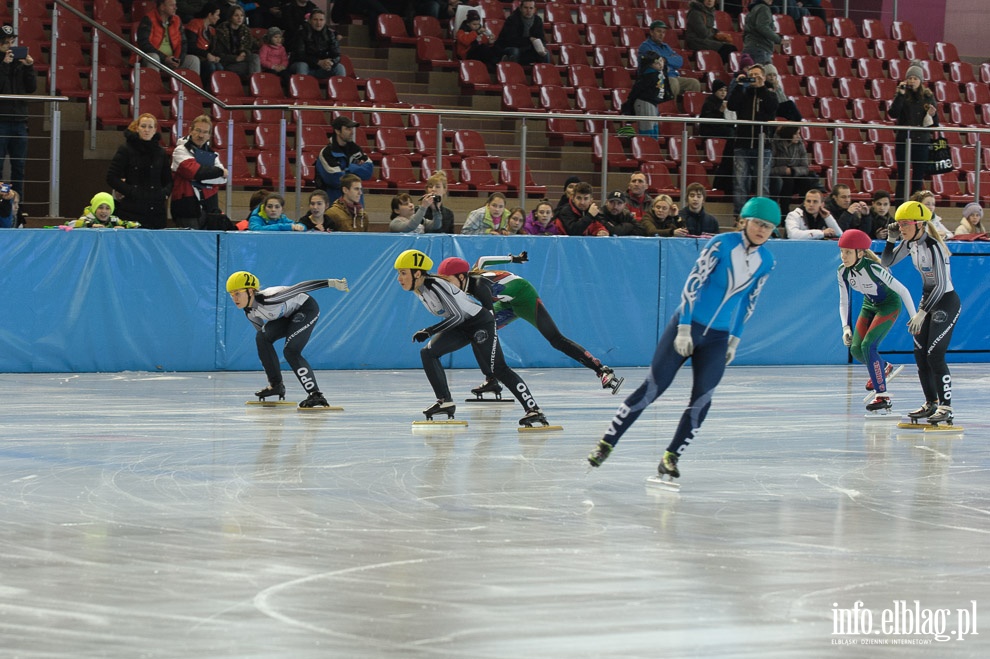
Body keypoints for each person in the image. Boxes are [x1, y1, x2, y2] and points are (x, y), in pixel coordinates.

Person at [587, 197, 780, 484]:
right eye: (758, 223)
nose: (763, 230)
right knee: (653, 388)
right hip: (688, 325)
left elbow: (750, 302)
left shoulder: (767, 261)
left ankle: (671, 457)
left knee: (703, 399)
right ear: (744, 221)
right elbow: (694, 282)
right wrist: (685, 327)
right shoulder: (722, 244)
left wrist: (734, 340)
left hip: (717, 338)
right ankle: (607, 442)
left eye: (769, 227)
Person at [393, 249, 551, 426]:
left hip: (480, 323)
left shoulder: (435, 285)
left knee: (499, 368)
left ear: (417, 273)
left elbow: (457, 316)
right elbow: (457, 319)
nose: (399, 278)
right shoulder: (420, 289)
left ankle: (534, 410)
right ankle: (445, 401)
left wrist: (429, 331)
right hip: (462, 325)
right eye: (399, 273)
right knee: (428, 353)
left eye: (403, 273)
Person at [438, 253, 624, 396]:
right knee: (476, 333)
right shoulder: (473, 272)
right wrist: (513, 258)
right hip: (506, 300)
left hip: (524, 296)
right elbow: (483, 259)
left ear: (461, 277)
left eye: (448, 282)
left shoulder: (480, 285)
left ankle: (602, 370)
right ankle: (492, 380)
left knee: (555, 339)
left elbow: (487, 316)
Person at [881, 201, 961, 425]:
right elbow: (886, 262)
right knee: (920, 355)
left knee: (935, 354)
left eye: (905, 224)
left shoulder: (934, 246)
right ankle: (931, 403)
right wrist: (891, 239)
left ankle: (946, 407)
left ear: (920, 225)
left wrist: (922, 312)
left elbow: (941, 284)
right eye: (899, 224)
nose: (901, 228)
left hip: (945, 302)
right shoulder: (910, 243)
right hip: (927, 303)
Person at [226, 270, 349, 408]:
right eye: (231, 295)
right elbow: (264, 338)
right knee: (261, 338)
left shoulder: (271, 298)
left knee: (291, 351)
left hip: (306, 309)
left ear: (250, 291)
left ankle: (315, 394)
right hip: (287, 316)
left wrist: (331, 283)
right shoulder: (250, 312)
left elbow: (301, 287)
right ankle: (276, 385)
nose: (234, 298)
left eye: (237, 293)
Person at [836, 229, 917, 412]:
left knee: (868, 347)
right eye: (842, 251)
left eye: (848, 252)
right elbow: (843, 300)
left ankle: (883, 396)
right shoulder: (842, 272)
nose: (843, 256)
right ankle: (883, 366)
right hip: (869, 304)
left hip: (889, 305)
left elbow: (903, 291)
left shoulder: (874, 268)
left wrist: (914, 318)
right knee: (856, 348)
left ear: (860, 253)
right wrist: (845, 327)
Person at [106, 113, 173, 230]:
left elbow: (168, 180)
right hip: (131, 208)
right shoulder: (126, 149)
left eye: (150, 127)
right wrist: (131, 191)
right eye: (143, 126)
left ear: (155, 130)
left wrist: (163, 194)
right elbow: (111, 177)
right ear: (137, 128)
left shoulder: (161, 153)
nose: (146, 130)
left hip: (156, 210)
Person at [728, 63, 778, 217]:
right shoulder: (743, 93)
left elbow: (772, 108)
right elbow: (731, 105)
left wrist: (762, 87)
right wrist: (739, 84)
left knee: (762, 185)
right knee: (740, 183)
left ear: (763, 77)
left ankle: (762, 217)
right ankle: (740, 218)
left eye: (758, 75)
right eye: (752, 75)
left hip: (763, 146)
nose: (755, 78)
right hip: (742, 144)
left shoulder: (769, 94)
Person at [888, 62, 938, 202]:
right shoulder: (902, 95)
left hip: (921, 142)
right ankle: (899, 208)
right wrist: (900, 95)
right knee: (902, 176)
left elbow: (936, 124)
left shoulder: (928, 96)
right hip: (904, 141)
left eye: (915, 78)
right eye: (910, 78)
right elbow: (893, 113)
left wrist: (933, 114)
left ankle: (915, 208)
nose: (912, 81)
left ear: (920, 80)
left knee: (918, 177)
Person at [170, 114, 229, 229]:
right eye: (198, 130)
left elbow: (223, 179)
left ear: (209, 136)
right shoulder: (180, 150)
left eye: (205, 132)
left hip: (210, 206)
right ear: (190, 131)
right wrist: (219, 172)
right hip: (186, 207)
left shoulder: (212, 153)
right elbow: (194, 172)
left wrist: (208, 174)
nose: (201, 135)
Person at [0, 24, 37, 199]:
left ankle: (17, 206)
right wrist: (4, 65)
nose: (9, 46)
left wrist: (29, 66)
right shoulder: (3, 63)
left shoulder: (20, 63)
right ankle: (2, 202)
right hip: (1, 122)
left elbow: (31, 88)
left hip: (20, 121)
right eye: (6, 43)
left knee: (19, 167)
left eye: (12, 42)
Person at [315, 116, 373, 203]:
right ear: (337, 131)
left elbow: (369, 171)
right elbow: (335, 180)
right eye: (347, 129)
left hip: (356, 205)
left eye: (352, 129)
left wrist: (349, 168)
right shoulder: (326, 153)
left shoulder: (356, 149)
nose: (352, 132)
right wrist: (356, 170)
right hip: (334, 204)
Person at [637, 20, 701, 98]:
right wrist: (669, 60)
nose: (661, 34)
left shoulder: (666, 46)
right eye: (659, 31)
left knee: (694, 83)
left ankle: (692, 109)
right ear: (651, 32)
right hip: (654, 79)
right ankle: (671, 108)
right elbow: (656, 63)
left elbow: (679, 61)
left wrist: (665, 59)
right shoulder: (645, 46)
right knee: (672, 82)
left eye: (663, 32)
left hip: (671, 76)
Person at [135, 0, 202, 75]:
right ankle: (153, 84)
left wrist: (177, 59)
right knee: (153, 57)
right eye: (171, 5)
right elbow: (144, 43)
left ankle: (192, 86)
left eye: (175, 5)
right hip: (154, 58)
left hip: (172, 59)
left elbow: (183, 43)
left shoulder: (177, 20)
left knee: (193, 60)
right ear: (162, 7)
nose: (175, 8)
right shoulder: (148, 19)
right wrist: (165, 58)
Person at [623, 51, 673, 138]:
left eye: (661, 61)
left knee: (654, 128)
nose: (660, 65)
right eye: (656, 63)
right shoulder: (648, 75)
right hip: (645, 102)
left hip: (653, 102)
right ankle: (647, 147)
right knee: (647, 129)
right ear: (650, 65)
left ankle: (654, 146)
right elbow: (636, 90)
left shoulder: (660, 73)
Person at [769, 125, 816, 211]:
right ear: (788, 134)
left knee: (806, 180)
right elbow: (769, 168)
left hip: (795, 175)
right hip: (779, 177)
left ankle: (805, 211)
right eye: (796, 134)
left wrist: (793, 170)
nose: (799, 136)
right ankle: (784, 212)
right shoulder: (774, 145)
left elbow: (805, 168)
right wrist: (784, 170)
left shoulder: (800, 145)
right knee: (788, 181)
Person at [289, 9, 344, 79]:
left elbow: (337, 55)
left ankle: (340, 89)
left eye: (321, 20)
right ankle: (302, 89)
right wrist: (318, 62)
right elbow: (300, 55)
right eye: (315, 19)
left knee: (340, 67)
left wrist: (331, 62)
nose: (318, 23)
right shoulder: (301, 33)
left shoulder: (330, 34)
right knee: (302, 65)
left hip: (321, 68)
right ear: (310, 21)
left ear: (325, 22)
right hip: (302, 66)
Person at [495, 0, 549, 66]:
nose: (528, 10)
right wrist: (529, 39)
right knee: (515, 51)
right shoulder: (512, 19)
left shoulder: (538, 20)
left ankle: (546, 73)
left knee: (546, 53)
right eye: (525, 8)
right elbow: (511, 41)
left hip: (527, 49)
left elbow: (541, 38)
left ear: (534, 10)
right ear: (520, 8)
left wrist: (542, 47)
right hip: (508, 47)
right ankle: (511, 73)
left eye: (531, 8)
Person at [214, 4, 260, 80]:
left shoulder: (246, 31)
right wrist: (235, 58)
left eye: (242, 16)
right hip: (228, 64)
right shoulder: (221, 31)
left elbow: (250, 47)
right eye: (236, 15)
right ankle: (256, 84)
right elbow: (218, 54)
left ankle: (255, 84)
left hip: (242, 62)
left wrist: (244, 52)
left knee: (255, 57)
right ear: (230, 17)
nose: (240, 18)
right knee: (252, 66)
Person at [685, 0, 736, 65]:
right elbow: (703, 33)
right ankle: (716, 67)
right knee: (727, 48)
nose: (710, 1)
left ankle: (718, 67)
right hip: (696, 41)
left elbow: (709, 29)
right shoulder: (695, 13)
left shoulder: (709, 11)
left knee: (731, 47)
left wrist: (718, 32)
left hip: (706, 40)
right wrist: (716, 34)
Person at [184, 2, 222, 84]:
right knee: (210, 66)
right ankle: (203, 89)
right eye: (217, 15)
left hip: (205, 58)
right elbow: (190, 47)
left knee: (219, 67)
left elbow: (213, 49)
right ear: (210, 15)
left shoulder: (211, 30)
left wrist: (216, 56)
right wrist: (207, 55)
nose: (219, 18)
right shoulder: (194, 24)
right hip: (196, 57)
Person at [66, 192, 139, 229]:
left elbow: (136, 224)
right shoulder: (88, 218)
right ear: (94, 208)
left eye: (107, 208)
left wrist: (124, 227)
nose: (104, 211)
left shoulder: (113, 220)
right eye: (100, 207)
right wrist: (91, 225)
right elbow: (69, 224)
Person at [742, 0, 782, 66]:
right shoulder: (764, 8)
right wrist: (778, 39)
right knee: (761, 74)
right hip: (761, 48)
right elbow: (763, 27)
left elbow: (746, 32)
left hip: (750, 46)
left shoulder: (753, 9)